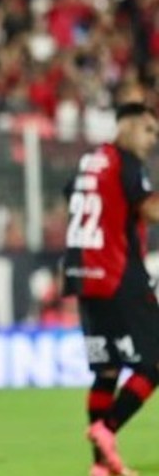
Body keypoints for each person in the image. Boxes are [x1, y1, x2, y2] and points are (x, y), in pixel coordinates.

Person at [62, 102, 159, 476]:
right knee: (154, 362)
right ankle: (108, 428)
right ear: (128, 126)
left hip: (83, 276)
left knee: (107, 369)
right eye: (148, 130)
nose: (152, 140)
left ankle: (101, 467)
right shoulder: (125, 162)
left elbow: (73, 196)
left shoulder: (89, 162)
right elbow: (150, 211)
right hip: (118, 275)